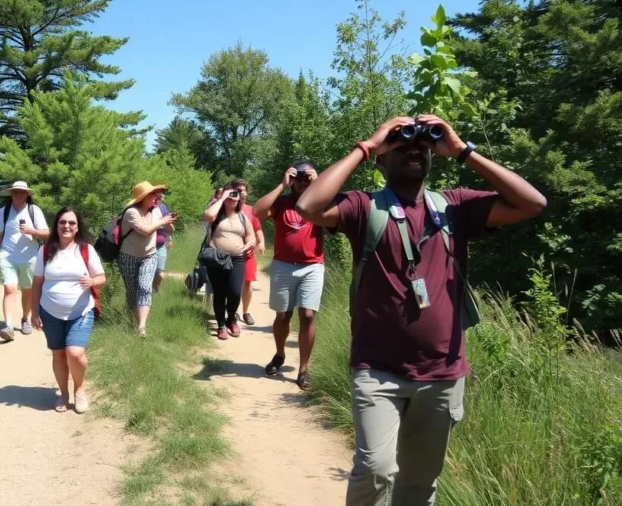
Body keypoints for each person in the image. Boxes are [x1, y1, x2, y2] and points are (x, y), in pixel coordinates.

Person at [295, 114, 546, 506]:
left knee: (419, 484)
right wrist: (367, 146)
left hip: (442, 373)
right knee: (375, 469)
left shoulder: (456, 207)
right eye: (401, 146)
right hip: (377, 369)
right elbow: (309, 204)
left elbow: (533, 203)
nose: (414, 151)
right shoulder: (364, 207)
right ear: (382, 160)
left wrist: (463, 151)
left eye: (423, 147)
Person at [253, 160, 323, 391]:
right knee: (283, 315)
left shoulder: (318, 201)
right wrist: (282, 185)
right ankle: (280, 355)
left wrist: (319, 182)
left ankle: (303, 369)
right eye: (298, 177)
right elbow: (258, 211)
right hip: (283, 265)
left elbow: (338, 204)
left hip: (312, 266)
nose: (302, 182)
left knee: (307, 315)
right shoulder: (282, 203)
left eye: (307, 177)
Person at [30, 207, 106, 414]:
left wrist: (91, 281)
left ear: (77, 226)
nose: (67, 226)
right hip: (49, 312)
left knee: (75, 354)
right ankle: (63, 394)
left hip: (81, 311)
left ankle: (79, 389)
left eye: (71, 223)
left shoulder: (86, 250)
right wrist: (34, 312)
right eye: (63, 222)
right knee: (58, 355)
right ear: (56, 225)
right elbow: (36, 284)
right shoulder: (45, 251)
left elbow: (101, 277)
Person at [0, 181, 50, 342]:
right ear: (11, 194)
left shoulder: (34, 211)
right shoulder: (4, 211)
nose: (18, 194)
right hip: (7, 256)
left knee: (27, 290)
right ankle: (8, 326)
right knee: (10, 289)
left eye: (22, 192)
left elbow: (47, 233)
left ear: (27, 195)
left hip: (30, 257)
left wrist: (33, 231)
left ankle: (25, 319)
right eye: (16, 191)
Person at [119, 181, 178, 337]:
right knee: (132, 291)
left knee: (145, 287)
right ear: (143, 197)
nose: (156, 196)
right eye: (152, 194)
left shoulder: (158, 211)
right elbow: (145, 231)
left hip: (149, 255)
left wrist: (169, 221)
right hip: (129, 256)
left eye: (156, 194)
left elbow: (169, 229)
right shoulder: (132, 212)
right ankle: (131, 318)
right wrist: (162, 222)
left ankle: (141, 327)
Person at [203, 188, 255, 340]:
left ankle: (231, 319)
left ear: (239, 200)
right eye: (229, 196)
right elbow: (208, 216)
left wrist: (249, 244)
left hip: (237, 258)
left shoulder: (243, 218)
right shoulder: (217, 215)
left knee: (234, 292)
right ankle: (221, 325)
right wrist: (221, 199)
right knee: (219, 292)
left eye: (235, 197)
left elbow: (250, 235)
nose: (232, 199)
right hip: (217, 257)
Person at [231, 179, 267, 325]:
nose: (240, 193)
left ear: (246, 192)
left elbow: (258, 229)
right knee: (232, 284)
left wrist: (262, 242)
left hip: (248, 254)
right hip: (231, 253)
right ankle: (232, 312)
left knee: (247, 283)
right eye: (237, 190)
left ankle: (246, 312)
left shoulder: (252, 210)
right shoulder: (227, 209)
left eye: (242, 190)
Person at [152, 190, 175, 293]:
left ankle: (155, 288)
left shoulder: (163, 208)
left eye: (161, 197)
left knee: (160, 271)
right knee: (148, 271)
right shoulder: (145, 208)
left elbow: (169, 227)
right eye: (160, 197)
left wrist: (169, 239)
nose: (161, 199)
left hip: (160, 244)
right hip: (147, 245)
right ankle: (148, 290)